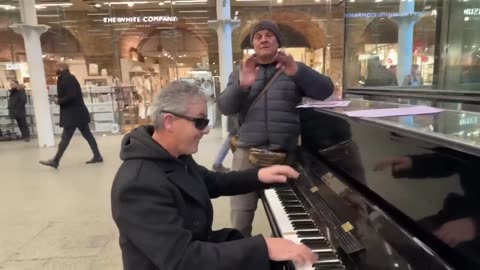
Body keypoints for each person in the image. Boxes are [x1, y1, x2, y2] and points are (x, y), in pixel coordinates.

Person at [111, 81, 317, 270]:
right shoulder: (138, 185)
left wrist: (259, 176)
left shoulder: (173, 155)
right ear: (169, 121)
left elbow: (212, 181)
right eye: (200, 122)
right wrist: (264, 248)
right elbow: (182, 259)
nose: (207, 130)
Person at [217, 20, 334, 236]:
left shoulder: (293, 69)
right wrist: (241, 85)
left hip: (284, 156)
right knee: (240, 221)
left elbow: (325, 90)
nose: (264, 39)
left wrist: (298, 71)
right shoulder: (241, 72)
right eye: (258, 36)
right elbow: (225, 107)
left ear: (277, 41)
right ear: (253, 43)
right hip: (246, 156)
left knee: (287, 218)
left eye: (269, 35)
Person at [39, 62, 103, 169]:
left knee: (66, 138)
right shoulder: (66, 78)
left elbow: (71, 95)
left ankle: (55, 161)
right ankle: (97, 156)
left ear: (62, 67)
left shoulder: (68, 79)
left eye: (57, 66)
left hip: (73, 114)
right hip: (77, 113)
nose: (55, 68)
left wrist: (59, 100)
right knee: (87, 135)